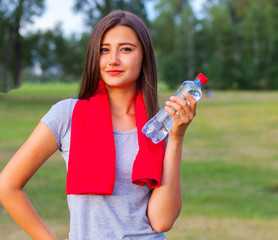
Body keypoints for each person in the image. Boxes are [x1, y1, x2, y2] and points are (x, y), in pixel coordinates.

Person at [0, 10, 198, 239]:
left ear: (144, 56)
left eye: (126, 49)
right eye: (104, 50)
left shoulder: (157, 126)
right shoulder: (67, 115)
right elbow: (7, 186)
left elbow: (162, 221)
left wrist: (176, 137)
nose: (113, 59)